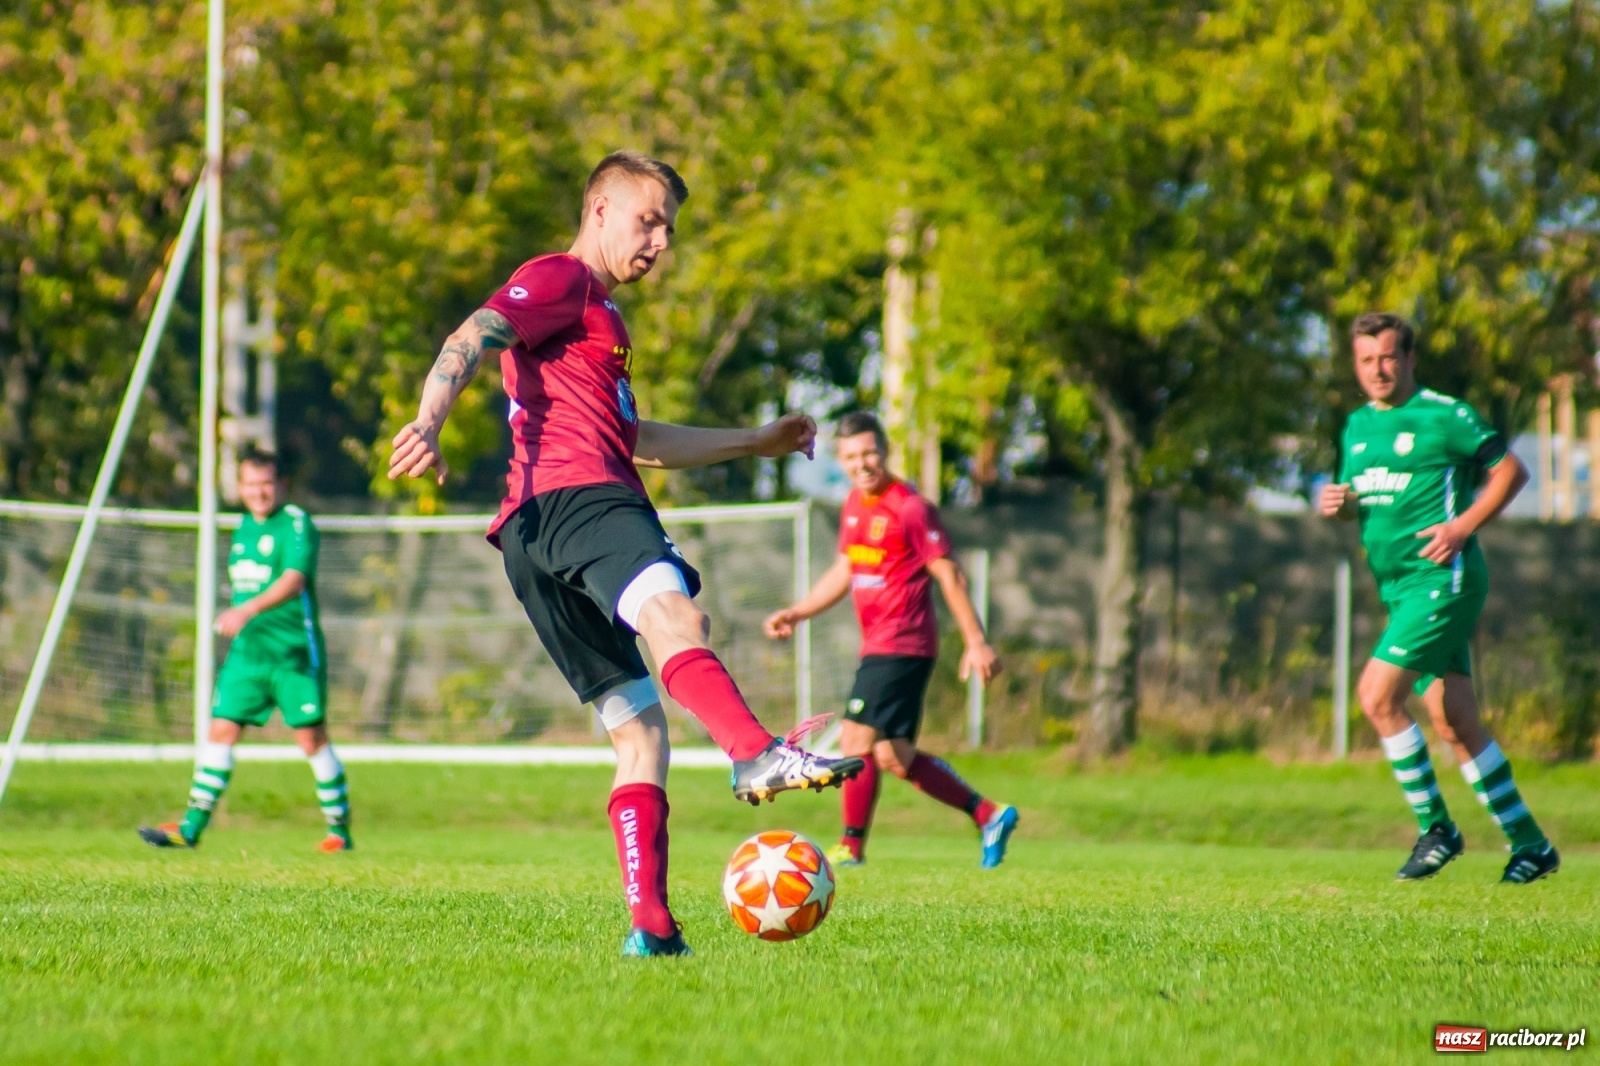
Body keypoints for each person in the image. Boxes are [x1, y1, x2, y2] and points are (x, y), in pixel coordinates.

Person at [386, 151, 864, 957]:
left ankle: (650, 925)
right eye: (648, 220)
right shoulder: (562, 279)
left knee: (640, 734)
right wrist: (431, 418)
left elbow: (636, 440)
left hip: (531, 537)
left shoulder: (598, 321)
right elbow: (473, 333)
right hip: (582, 502)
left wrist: (756, 440)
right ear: (599, 209)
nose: (661, 241)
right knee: (677, 613)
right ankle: (753, 753)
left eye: (670, 228)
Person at [1320, 312, 1558, 884]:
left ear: (1409, 359)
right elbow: (1374, 500)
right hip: (1399, 588)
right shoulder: (1355, 427)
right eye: (1366, 360)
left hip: (1442, 580)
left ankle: (1438, 829)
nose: (1378, 369)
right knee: (1453, 719)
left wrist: (1463, 527)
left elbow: (1510, 472)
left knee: (1377, 697)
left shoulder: (1444, 414)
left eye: (1388, 357)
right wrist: (1344, 504)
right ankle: (1531, 844)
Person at [763, 412, 1018, 869]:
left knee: (855, 738)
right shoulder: (854, 506)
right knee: (894, 756)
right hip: (882, 644)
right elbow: (846, 569)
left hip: (901, 643)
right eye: (851, 456)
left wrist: (976, 641)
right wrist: (799, 612)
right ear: (840, 460)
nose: (862, 464)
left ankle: (851, 848)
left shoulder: (910, 508)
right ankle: (989, 815)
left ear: (885, 452)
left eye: (869, 452)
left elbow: (950, 574)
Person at [140, 448, 352, 852]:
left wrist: (247, 609)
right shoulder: (243, 528)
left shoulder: (295, 523)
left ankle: (339, 831)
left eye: (266, 483)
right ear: (240, 487)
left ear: (282, 485)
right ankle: (190, 827)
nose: (259, 492)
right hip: (247, 656)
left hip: (292, 656)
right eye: (251, 484)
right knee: (220, 730)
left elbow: (294, 580)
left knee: (311, 740)